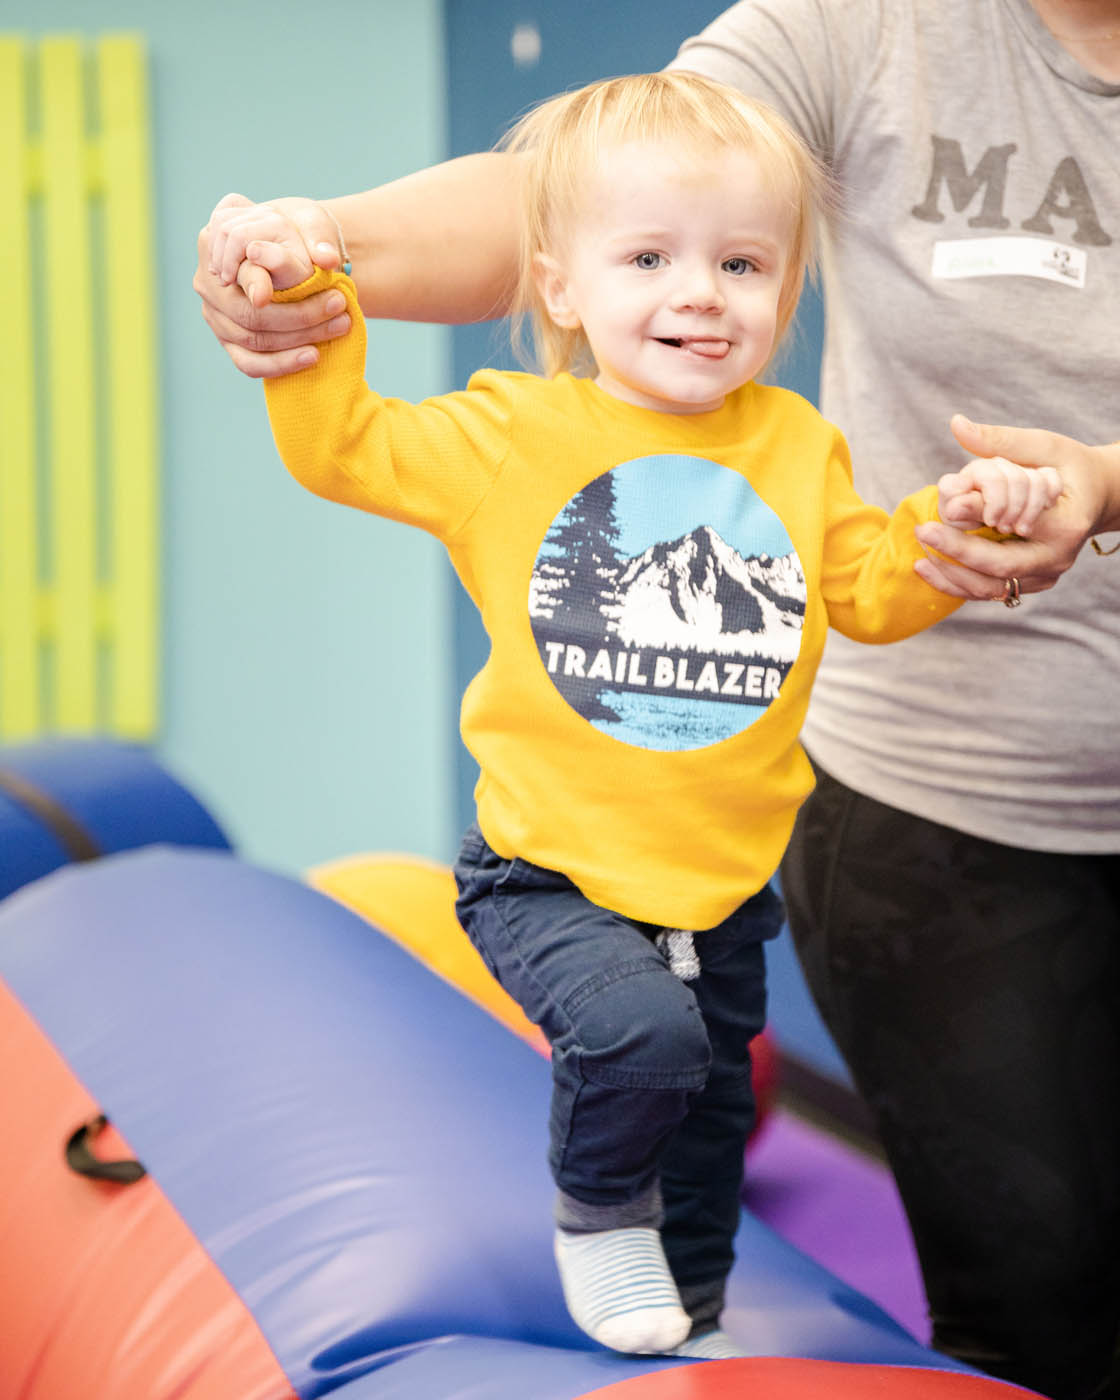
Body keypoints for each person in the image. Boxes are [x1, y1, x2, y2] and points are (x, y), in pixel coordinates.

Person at [194, 5, 1120, 1394]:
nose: (700, 293)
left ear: (792, 282)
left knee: (700, 1122)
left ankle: (679, 1318)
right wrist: (307, 320)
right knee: (636, 1039)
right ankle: (593, 1222)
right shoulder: (519, 433)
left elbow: (867, 585)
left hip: (721, 886)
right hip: (549, 872)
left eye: (743, 265)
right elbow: (353, 452)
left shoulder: (798, 447)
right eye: (650, 260)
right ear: (560, 288)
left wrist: (963, 527)